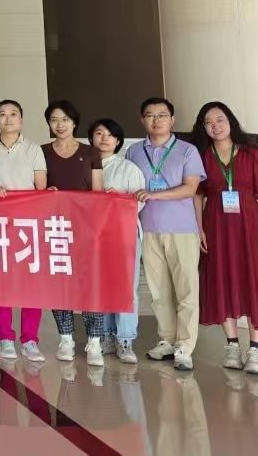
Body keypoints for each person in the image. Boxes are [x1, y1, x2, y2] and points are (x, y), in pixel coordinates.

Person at [191, 102, 258, 376]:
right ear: (203, 127)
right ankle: (232, 345)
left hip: (250, 226)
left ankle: (255, 350)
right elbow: (198, 194)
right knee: (221, 279)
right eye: (209, 122)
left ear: (230, 121)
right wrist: (199, 228)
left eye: (220, 120)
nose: (215, 126)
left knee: (256, 282)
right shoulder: (202, 156)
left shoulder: (252, 153)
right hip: (216, 226)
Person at [126, 97, 206, 372]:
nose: (156, 120)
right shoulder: (134, 151)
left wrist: (154, 195)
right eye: (150, 115)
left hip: (181, 229)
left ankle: (185, 345)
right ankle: (167, 340)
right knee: (158, 290)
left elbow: (190, 188)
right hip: (147, 228)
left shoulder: (187, 151)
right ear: (142, 120)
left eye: (162, 115)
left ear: (172, 120)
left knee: (186, 290)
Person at [0, 98, 48, 362]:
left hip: (27, 225)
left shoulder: (33, 149)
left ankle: (30, 339)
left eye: (13, 114)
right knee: (2, 283)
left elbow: (40, 188)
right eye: (2, 114)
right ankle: (6, 337)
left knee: (32, 284)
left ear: (21, 119)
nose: (7, 119)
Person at [42, 100, 106, 365]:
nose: (60, 125)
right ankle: (66, 338)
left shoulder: (91, 152)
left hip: (86, 228)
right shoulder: (42, 152)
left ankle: (94, 341)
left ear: (74, 122)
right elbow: (38, 189)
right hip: (55, 228)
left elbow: (98, 193)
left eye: (65, 119)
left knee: (90, 284)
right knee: (60, 283)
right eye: (54, 120)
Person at [91, 118, 147, 364]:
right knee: (99, 285)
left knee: (126, 286)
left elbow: (139, 202)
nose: (104, 139)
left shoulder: (128, 169)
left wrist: (118, 200)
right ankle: (104, 335)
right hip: (93, 236)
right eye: (99, 133)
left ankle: (125, 338)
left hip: (124, 233)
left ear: (118, 141)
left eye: (110, 135)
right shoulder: (86, 166)